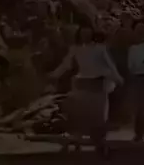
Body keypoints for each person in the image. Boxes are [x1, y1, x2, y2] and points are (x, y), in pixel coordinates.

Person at [49, 25, 124, 156]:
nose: (85, 36)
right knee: (79, 113)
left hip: (97, 84)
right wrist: (54, 75)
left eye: (88, 33)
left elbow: (110, 65)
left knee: (98, 115)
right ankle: (77, 140)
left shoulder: (100, 48)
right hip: (82, 83)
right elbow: (66, 64)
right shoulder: (75, 49)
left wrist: (117, 78)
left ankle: (99, 142)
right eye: (83, 33)